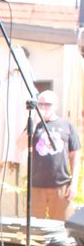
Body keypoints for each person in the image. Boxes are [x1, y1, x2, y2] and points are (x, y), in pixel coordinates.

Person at [27, 90, 81, 221]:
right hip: (37, 186)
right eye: (40, 104)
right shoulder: (34, 125)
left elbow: (75, 156)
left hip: (60, 185)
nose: (43, 107)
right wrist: (34, 124)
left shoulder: (66, 125)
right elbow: (20, 145)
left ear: (56, 105)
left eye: (47, 104)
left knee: (62, 226)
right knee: (35, 227)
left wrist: (74, 184)